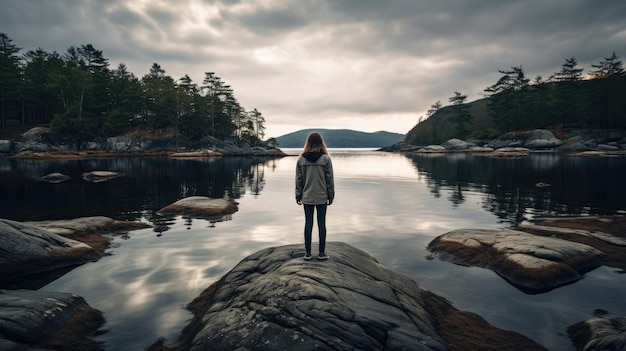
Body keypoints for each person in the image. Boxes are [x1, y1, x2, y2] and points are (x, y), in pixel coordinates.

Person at [295, 132, 334, 261]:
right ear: (321, 143)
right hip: (322, 196)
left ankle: (307, 253)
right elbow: (329, 180)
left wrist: (298, 195)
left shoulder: (301, 159)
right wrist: (331, 195)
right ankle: (322, 253)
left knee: (308, 224)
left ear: (308, 143)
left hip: (307, 196)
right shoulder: (325, 159)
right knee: (321, 224)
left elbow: (298, 180)